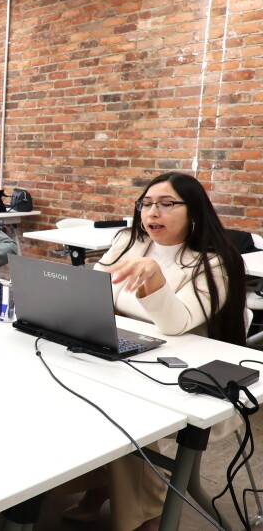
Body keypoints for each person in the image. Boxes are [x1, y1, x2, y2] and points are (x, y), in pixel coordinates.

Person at [62, 171, 246, 531]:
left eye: (166, 204)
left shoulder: (214, 261)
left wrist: (155, 280)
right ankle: (101, 487)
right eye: (146, 204)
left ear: (193, 211)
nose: (152, 213)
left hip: (177, 373)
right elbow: (93, 289)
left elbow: (178, 324)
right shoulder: (130, 241)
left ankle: (147, 511)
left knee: (113, 411)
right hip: (122, 354)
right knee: (71, 394)